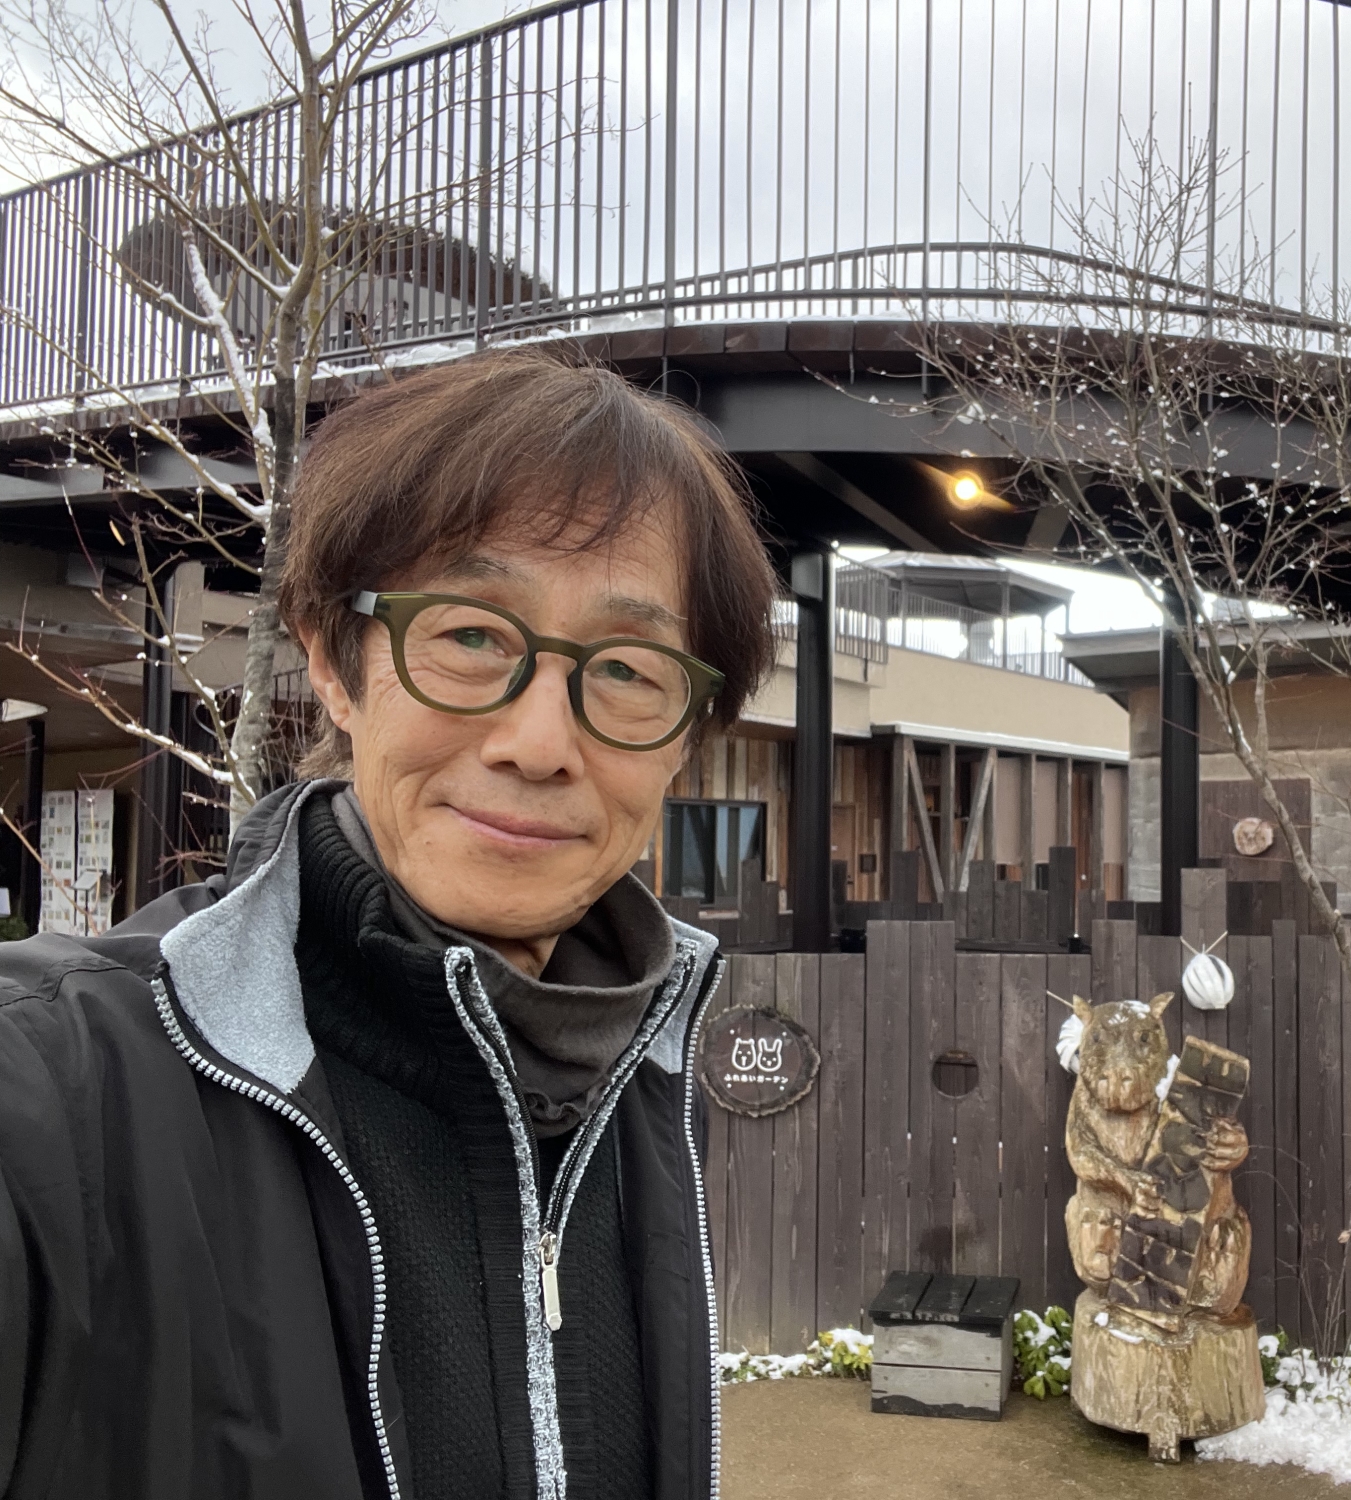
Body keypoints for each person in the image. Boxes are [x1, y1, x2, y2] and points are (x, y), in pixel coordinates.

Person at [0, 348, 778, 1500]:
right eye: (469, 636)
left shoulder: (642, 1087)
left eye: (624, 669)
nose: (539, 744)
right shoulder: (58, 1089)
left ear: (683, 737)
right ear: (333, 659)